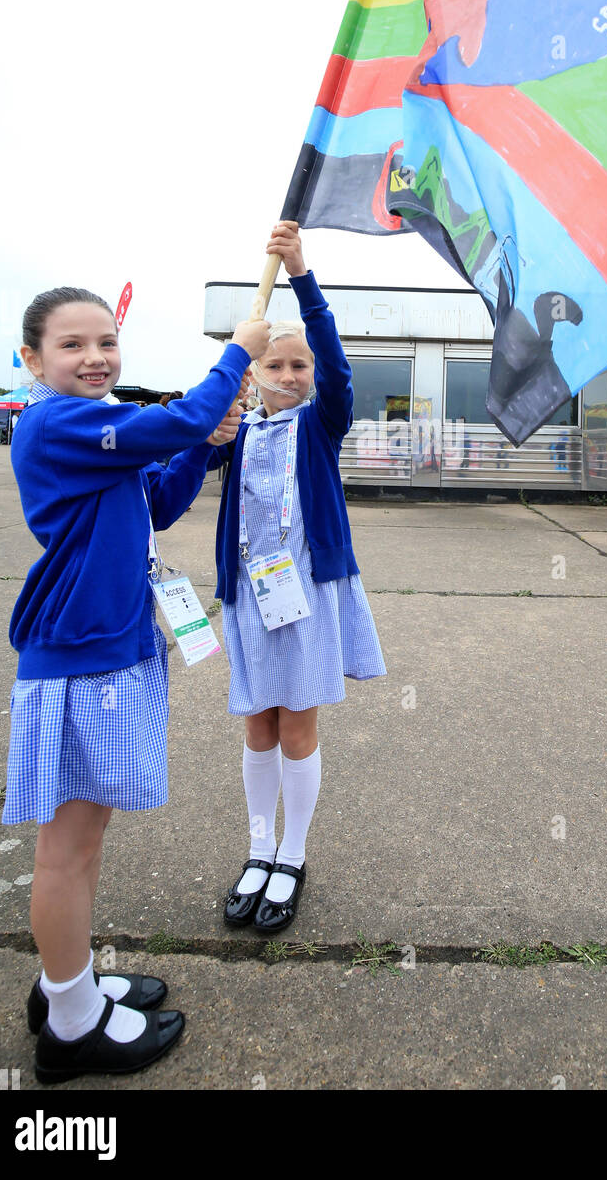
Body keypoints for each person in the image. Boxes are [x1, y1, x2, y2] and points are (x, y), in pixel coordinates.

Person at [7, 284, 268, 1083]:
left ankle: (69, 987)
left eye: (106, 342)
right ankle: (73, 1027)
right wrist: (236, 357)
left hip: (109, 653)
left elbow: (154, 500)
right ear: (31, 360)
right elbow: (178, 417)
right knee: (67, 853)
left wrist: (203, 445)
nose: (94, 358)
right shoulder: (56, 420)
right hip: (83, 661)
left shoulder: (94, 432)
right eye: (72, 345)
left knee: (82, 848)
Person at [209, 222, 386, 935]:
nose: (288, 376)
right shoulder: (238, 430)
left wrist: (304, 277)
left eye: (298, 367)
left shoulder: (321, 424)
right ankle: (257, 848)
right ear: (252, 373)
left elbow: (337, 369)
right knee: (256, 725)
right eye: (273, 366)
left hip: (306, 597)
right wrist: (215, 407)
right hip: (250, 598)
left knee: (298, 725)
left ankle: (292, 853)